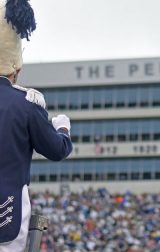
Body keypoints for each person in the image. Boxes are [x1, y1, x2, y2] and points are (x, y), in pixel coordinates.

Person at [0, 0, 73, 251]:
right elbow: (57, 150)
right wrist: (62, 128)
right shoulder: (27, 103)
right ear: (15, 68)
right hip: (6, 211)